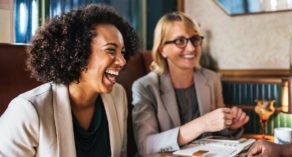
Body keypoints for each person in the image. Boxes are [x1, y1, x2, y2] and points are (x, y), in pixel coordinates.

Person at [0, 4, 138, 157]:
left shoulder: (118, 96)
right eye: (111, 50)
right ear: (78, 52)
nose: (122, 61)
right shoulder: (28, 110)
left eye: (123, 52)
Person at [131, 12, 249, 156]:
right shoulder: (144, 87)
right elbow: (145, 146)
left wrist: (231, 126)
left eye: (195, 39)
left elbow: (218, 134)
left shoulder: (211, 79)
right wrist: (202, 124)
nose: (191, 48)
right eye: (180, 41)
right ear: (163, 50)